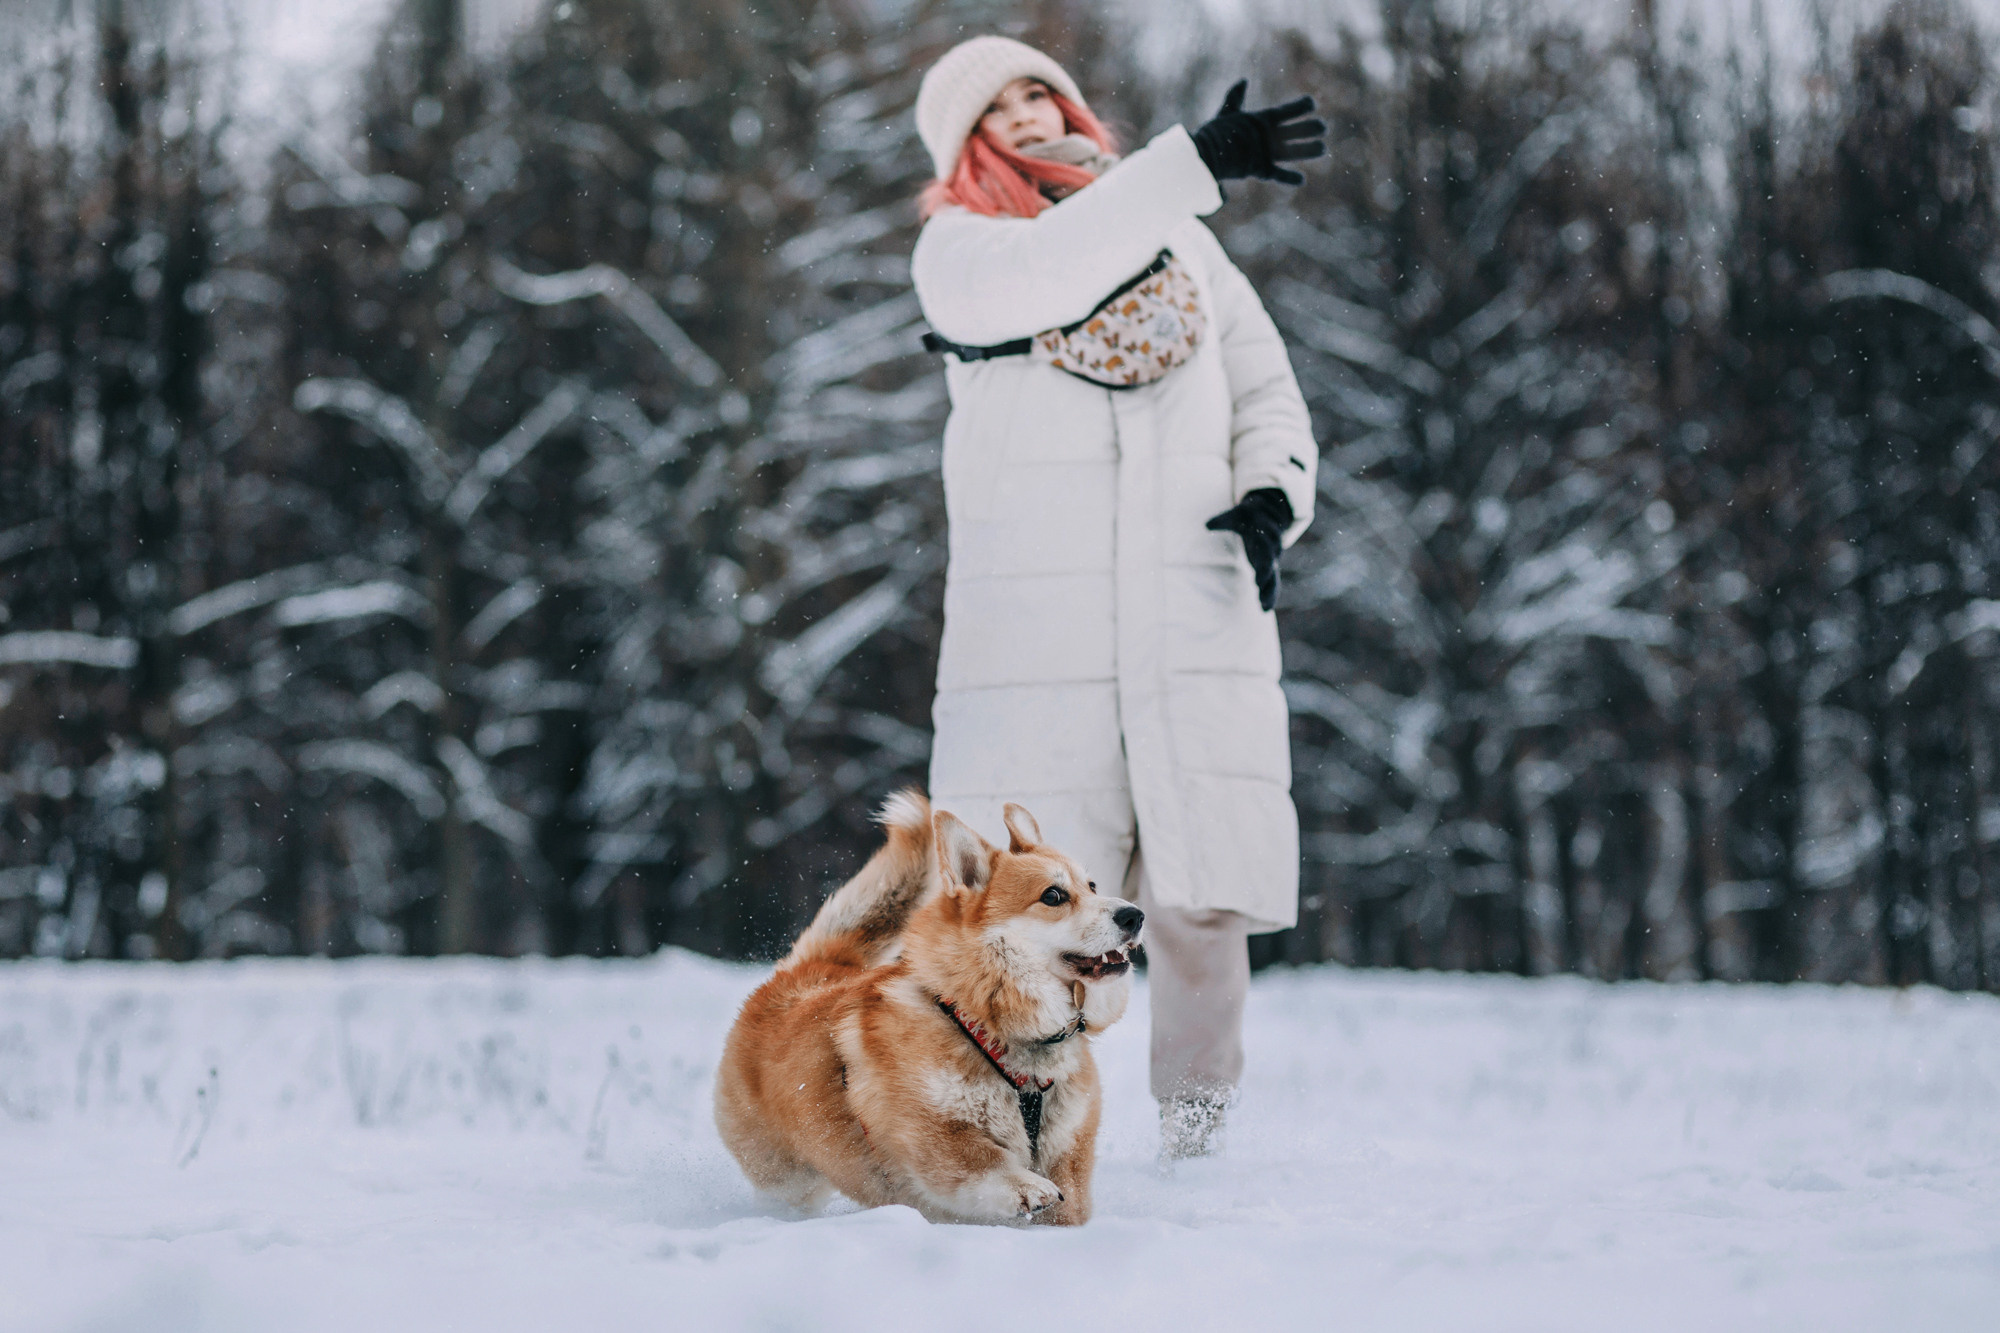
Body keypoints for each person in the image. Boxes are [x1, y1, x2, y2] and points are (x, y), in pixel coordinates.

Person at [910, 35, 1323, 1161]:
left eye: (1039, 87)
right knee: (1028, 927)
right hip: (1037, 639)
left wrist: (1269, 497)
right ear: (966, 148)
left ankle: (1197, 1152)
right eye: (995, 108)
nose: (1029, 112)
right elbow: (1061, 268)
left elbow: (1262, 382)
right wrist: (1187, 161)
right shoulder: (962, 254)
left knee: (1201, 906)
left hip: (1192, 611)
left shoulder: (1180, 245)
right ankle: (1001, 1148)